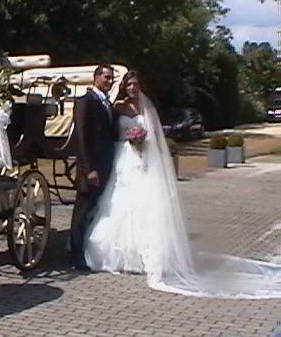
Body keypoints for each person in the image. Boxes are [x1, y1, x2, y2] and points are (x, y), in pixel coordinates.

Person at [83, 70, 281, 298]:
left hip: (144, 160)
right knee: (118, 204)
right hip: (123, 159)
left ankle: (145, 256)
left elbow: (155, 136)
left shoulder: (147, 107)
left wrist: (142, 139)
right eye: (129, 85)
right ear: (124, 87)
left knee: (145, 206)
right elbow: (109, 133)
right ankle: (118, 256)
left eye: (135, 85)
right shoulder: (117, 106)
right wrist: (128, 139)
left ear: (139, 86)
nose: (132, 88)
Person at [68, 64, 117, 270]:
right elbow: (82, 138)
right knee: (82, 210)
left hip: (105, 165)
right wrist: (89, 169)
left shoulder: (107, 103)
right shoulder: (85, 102)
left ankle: (86, 250)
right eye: (106, 77)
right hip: (91, 168)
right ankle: (75, 255)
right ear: (96, 78)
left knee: (94, 210)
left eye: (111, 78)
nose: (109, 81)